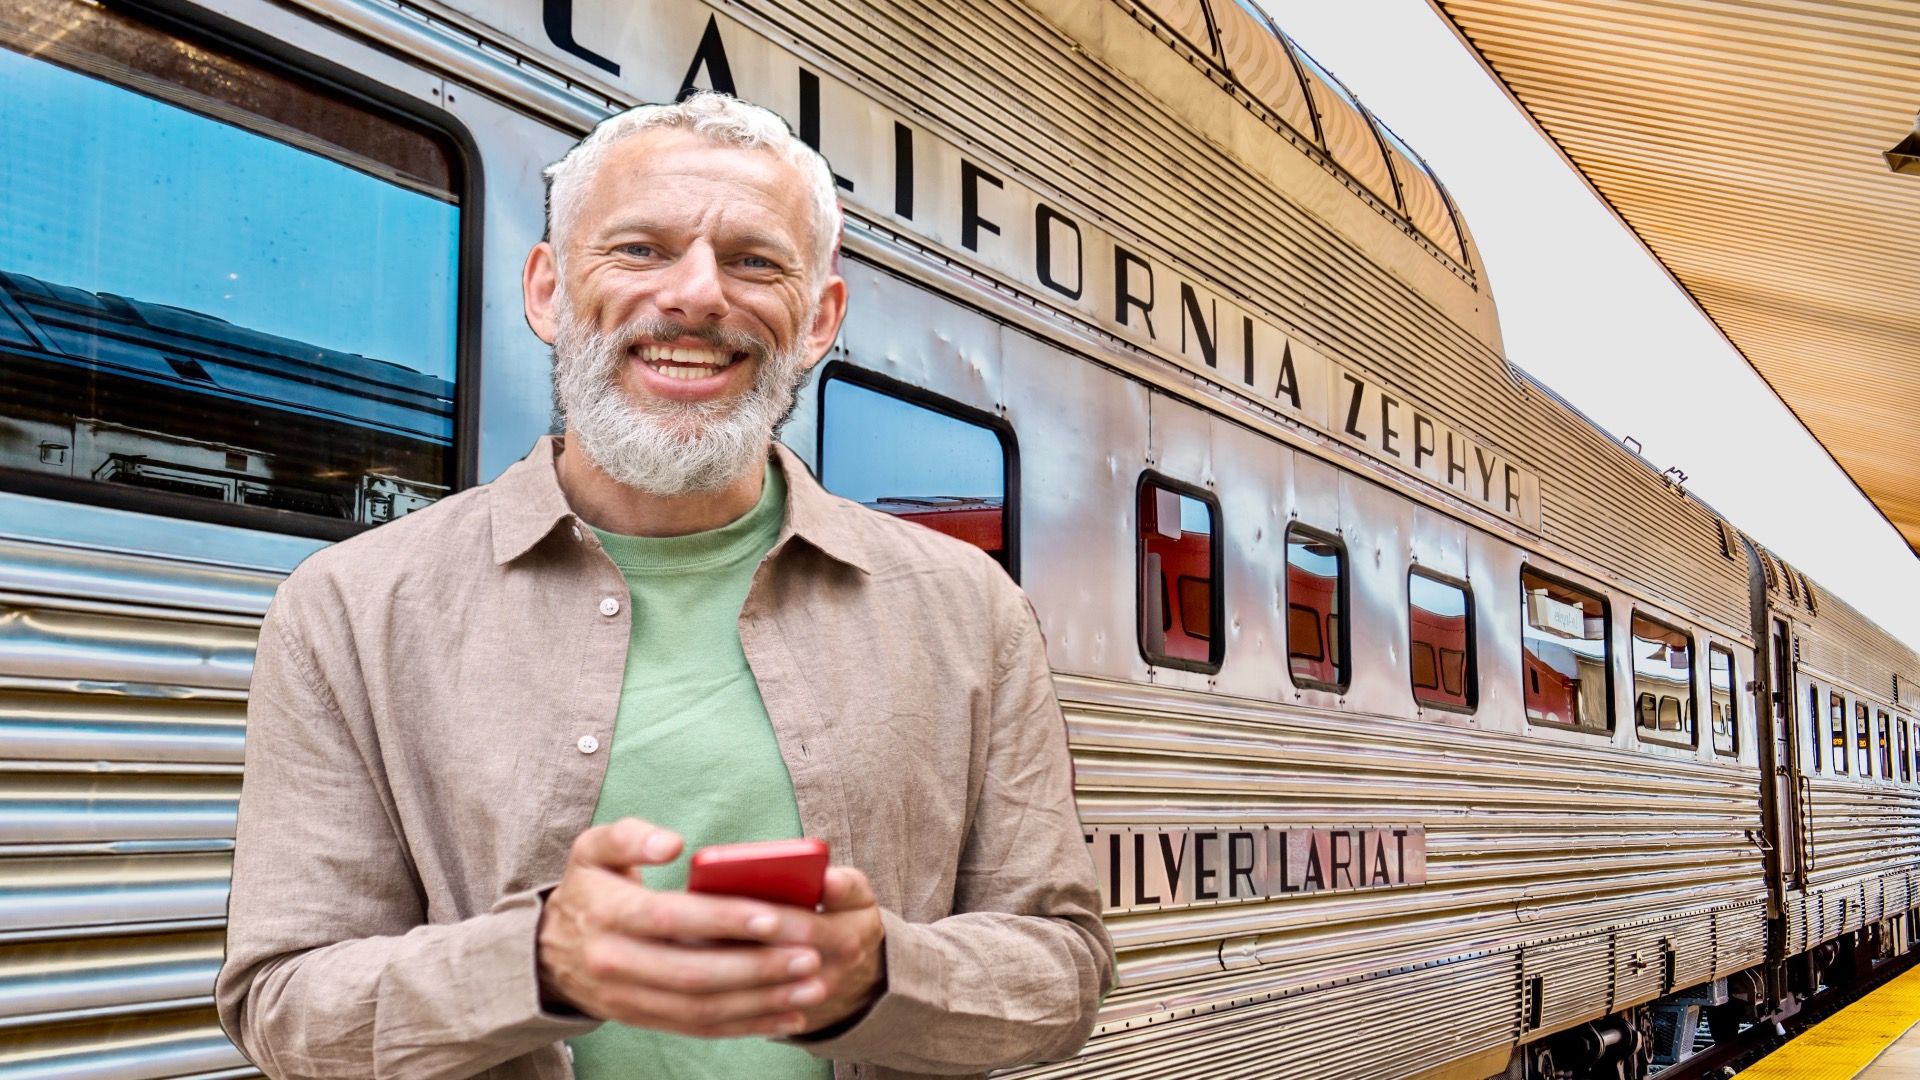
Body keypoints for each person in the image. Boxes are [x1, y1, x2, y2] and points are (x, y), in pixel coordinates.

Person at [214, 91, 1114, 1080]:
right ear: (549, 291)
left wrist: (880, 979)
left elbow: (1061, 974)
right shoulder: (350, 608)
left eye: (755, 261)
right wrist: (534, 965)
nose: (696, 296)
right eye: (639, 249)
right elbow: (284, 1005)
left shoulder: (969, 610)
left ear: (820, 318)